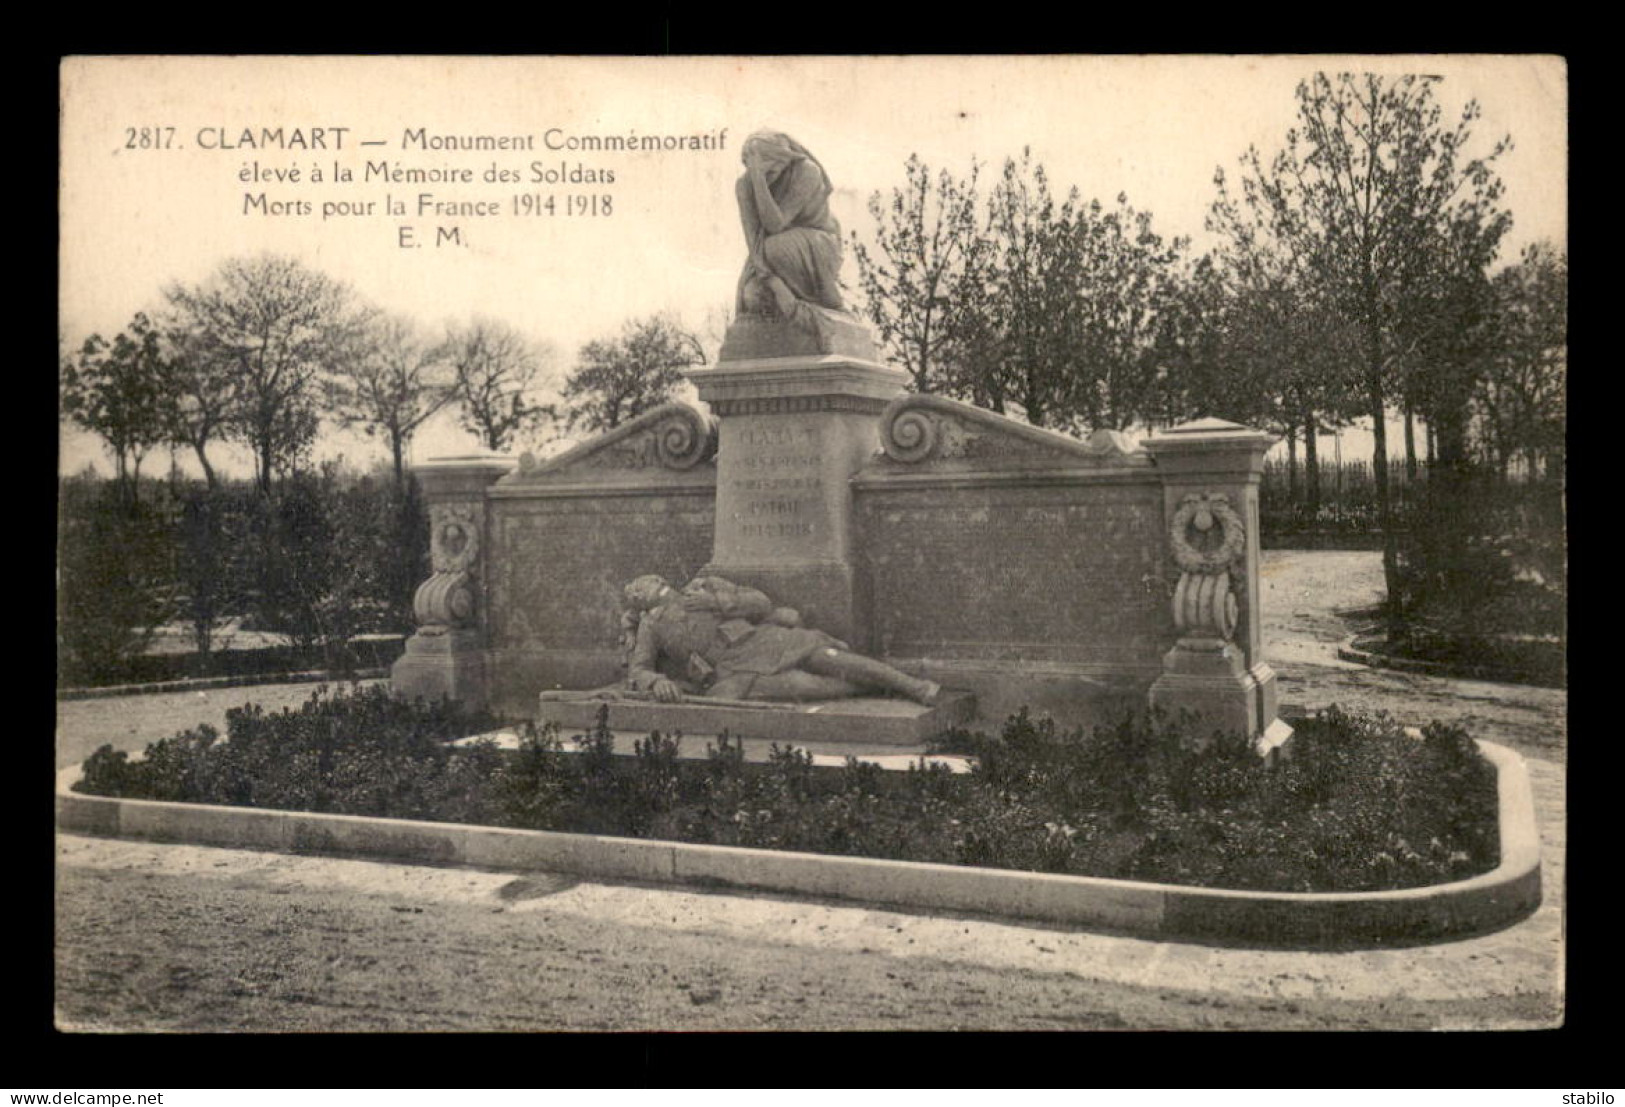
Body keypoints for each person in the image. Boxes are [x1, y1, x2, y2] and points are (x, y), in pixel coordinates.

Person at [622, 574, 940, 705]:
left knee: (831, 659)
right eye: (639, 591)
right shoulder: (652, 625)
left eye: (650, 582)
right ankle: (879, 687)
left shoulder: (703, 586)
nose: (646, 587)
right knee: (805, 686)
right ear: (640, 604)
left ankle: (914, 687)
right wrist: (655, 683)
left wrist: (719, 603)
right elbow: (638, 670)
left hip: (764, 641)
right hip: (734, 673)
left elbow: (762, 604)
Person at [735, 131, 845, 328]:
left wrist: (760, 182)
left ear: (783, 159)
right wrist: (770, 280)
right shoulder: (744, 185)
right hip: (767, 253)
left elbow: (775, 224)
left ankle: (822, 294)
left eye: (770, 172)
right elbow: (753, 240)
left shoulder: (807, 172)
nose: (765, 179)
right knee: (752, 297)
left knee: (775, 248)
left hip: (817, 243)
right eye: (755, 172)